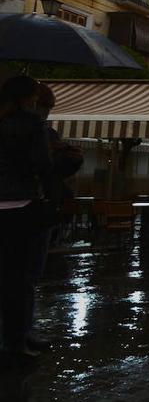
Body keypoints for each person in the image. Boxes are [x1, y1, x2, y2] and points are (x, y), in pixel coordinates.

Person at [0, 75, 54, 358]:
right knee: (22, 278)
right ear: (29, 98)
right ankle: (18, 340)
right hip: (24, 205)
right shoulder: (33, 125)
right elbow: (42, 165)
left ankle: (15, 336)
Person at [25, 84, 82, 350]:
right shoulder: (40, 132)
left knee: (19, 273)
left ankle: (17, 331)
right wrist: (69, 157)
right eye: (46, 108)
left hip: (25, 206)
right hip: (37, 208)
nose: (46, 113)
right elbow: (49, 170)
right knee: (27, 274)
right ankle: (19, 333)